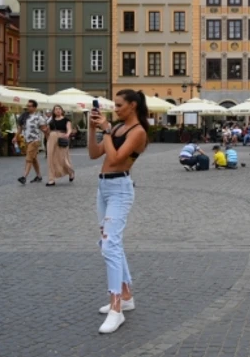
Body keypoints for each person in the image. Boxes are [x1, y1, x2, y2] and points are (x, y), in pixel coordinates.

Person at [88, 89, 148, 334]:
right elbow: (94, 154)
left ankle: (117, 309)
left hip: (120, 189)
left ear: (132, 106)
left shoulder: (138, 132)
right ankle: (126, 295)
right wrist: (93, 128)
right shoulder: (117, 129)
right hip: (103, 188)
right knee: (109, 244)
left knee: (110, 245)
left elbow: (114, 159)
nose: (116, 109)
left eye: (119, 105)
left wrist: (105, 129)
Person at [45, 105, 75, 186]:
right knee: (50, 158)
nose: (57, 110)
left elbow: (69, 129)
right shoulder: (51, 121)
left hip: (62, 138)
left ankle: (70, 171)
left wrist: (68, 134)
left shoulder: (66, 120)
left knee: (62, 158)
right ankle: (51, 179)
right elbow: (47, 131)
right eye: (56, 109)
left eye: (59, 109)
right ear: (53, 111)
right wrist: (46, 132)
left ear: (62, 110)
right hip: (51, 139)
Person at [17, 100, 46, 185]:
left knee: (29, 159)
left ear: (34, 107)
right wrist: (16, 137)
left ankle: (24, 177)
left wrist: (49, 137)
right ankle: (39, 176)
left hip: (34, 140)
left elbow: (43, 129)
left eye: (30, 106)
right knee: (34, 159)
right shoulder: (25, 116)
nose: (28, 107)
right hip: (27, 141)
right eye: (27, 106)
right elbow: (20, 128)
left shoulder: (38, 117)